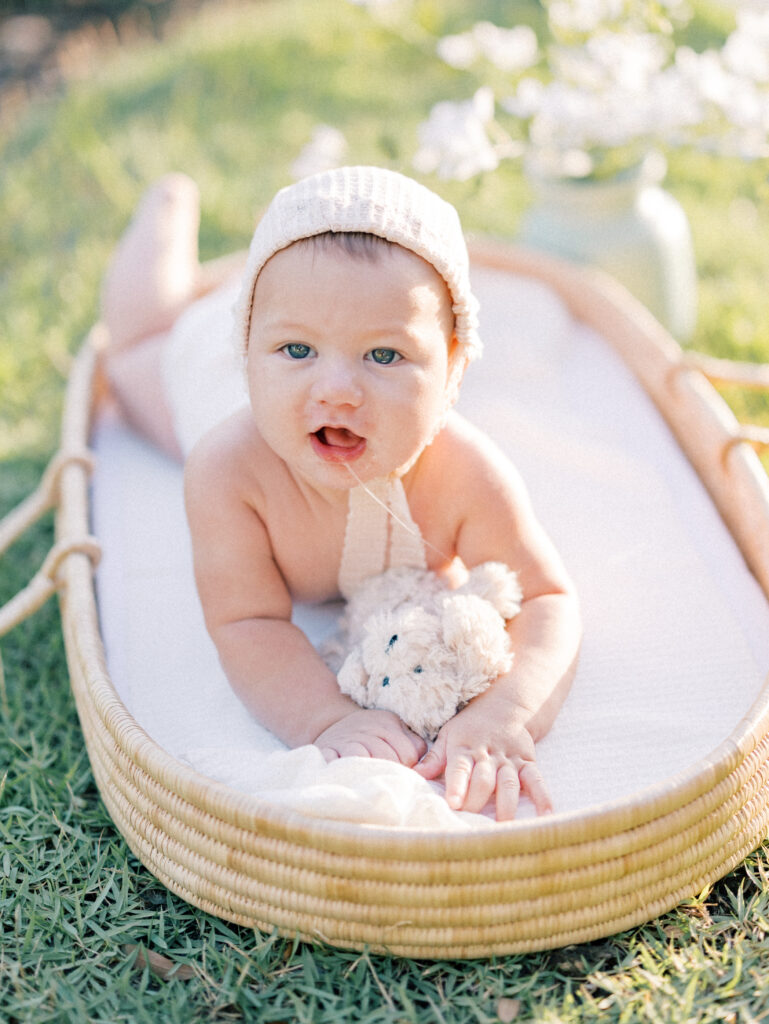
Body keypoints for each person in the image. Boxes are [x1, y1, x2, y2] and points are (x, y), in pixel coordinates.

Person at [100, 166, 581, 822]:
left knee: (323, 313)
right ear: (247, 352)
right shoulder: (228, 471)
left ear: (453, 371)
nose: (336, 390)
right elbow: (248, 622)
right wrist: (325, 718)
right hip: (198, 377)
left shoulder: (464, 472)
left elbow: (546, 597)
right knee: (135, 349)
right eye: (297, 349)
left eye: (384, 356)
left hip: (303, 339)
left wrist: (506, 711)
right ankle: (168, 200)